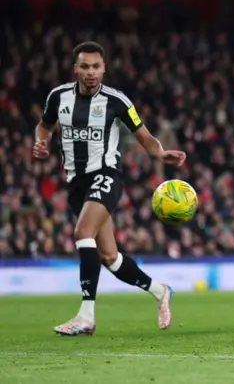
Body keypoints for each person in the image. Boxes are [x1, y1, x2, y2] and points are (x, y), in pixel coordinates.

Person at [32, 41, 185, 336]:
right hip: (76, 183)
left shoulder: (116, 101)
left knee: (81, 233)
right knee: (109, 257)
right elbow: (44, 125)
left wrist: (160, 153)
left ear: (104, 68)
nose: (91, 72)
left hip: (105, 175)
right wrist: (42, 141)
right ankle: (160, 291)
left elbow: (144, 137)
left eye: (96, 67)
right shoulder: (58, 97)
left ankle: (86, 316)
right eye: (85, 66)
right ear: (76, 68)